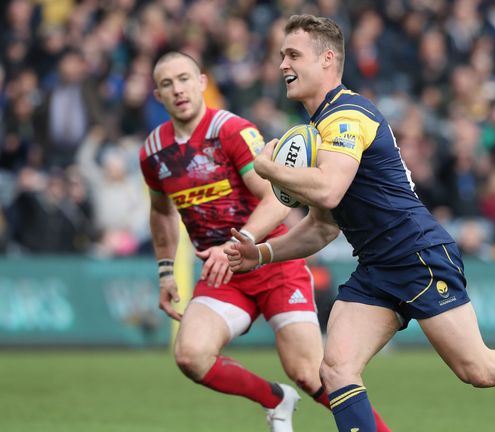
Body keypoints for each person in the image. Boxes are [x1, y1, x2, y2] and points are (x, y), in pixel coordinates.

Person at [226, 15, 495, 432]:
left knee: (479, 368)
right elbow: (324, 226)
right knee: (335, 369)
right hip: (377, 267)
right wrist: (260, 254)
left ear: (327, 59)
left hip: (416, 254)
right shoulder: (319, 128)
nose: (282, 65)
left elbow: (329, 190)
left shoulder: (346, 116)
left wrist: (266, 168)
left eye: (292, 55)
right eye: (280, 56)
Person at [139, 51, 390, 432]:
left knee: (309, 372)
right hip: (223, 272)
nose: (178, 89)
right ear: (157, 95)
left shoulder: (232, 131)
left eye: (184, 78)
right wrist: (165, 270)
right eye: (167, 84)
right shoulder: (154, 152)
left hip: (271, 262)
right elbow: (161, 212)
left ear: (203, 82)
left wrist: (242, 244)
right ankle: (276, 399)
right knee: (191, 356)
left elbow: (276, 198)